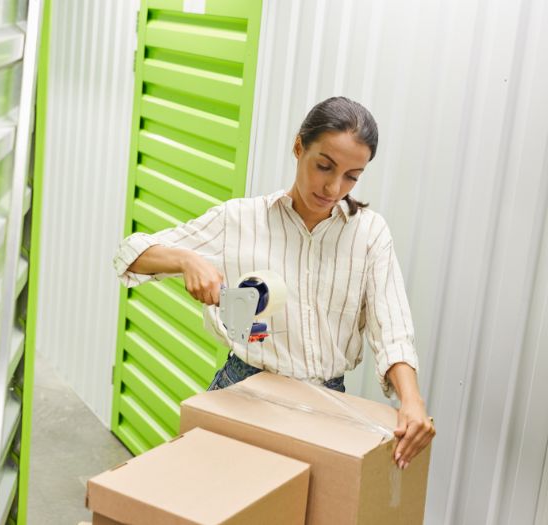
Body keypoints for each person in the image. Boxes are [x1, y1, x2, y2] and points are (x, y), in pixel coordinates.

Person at [113, 96, 435, 469]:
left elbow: (391, 327)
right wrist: (187, 260)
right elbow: (130, 253)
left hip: (326, 404)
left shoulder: (369, 234)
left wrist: (412, 402)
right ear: (299, 147)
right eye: (324, 166)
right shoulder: (240, 220)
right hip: (244, 390)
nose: (333, 187)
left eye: (351, 176)